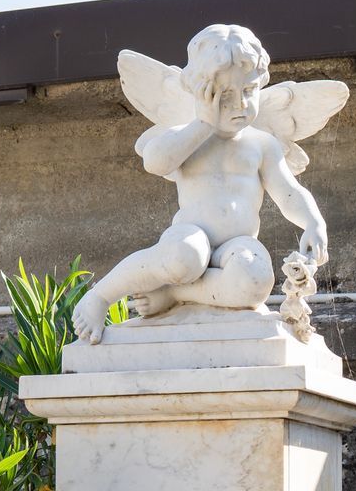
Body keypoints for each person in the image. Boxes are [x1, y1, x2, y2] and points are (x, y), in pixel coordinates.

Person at [71, 25, 330, 344]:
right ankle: (99, 297)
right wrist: (202, 124)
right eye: (224, 97)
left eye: (248, 92)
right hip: (191, 235)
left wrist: (313, 223)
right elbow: (156, 161)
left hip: (237, 244)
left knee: (256, 280)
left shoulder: (261, 144)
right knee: (183, 256)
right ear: (200, 94)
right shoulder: (188, 136)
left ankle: (175, 293)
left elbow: (289, 192)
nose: (240, 106)